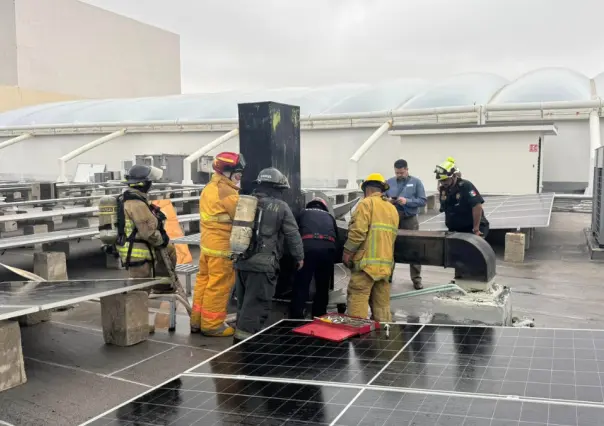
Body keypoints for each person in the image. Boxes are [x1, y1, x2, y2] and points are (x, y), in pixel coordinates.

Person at [233, 167, 304, 344]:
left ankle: (239, 341)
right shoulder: (281, 207)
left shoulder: (245, 202)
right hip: (263, 266)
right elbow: (293, 234)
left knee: (243, 306)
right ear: (277, 188)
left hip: (241, 261)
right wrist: (299, 257)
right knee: (256, 307)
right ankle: (246, 349)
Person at [190, 152, 245, 337]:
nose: (239, 178)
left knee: (203, 283)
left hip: (207, 246)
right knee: (218, 286)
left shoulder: (209, 188)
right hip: (222, 249)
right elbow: (242, 216)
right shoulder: (227, 192)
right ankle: (212, 325)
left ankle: (197, 321)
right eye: (237, 174)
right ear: (227, 172)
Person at [342, 173, 399, 322]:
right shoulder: (392, 209)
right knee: (382, 307)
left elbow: (358, 232)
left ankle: (358, 337)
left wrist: (347, 253)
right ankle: (383, 340)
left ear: (367, 190)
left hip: (365, 266)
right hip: (385, 267)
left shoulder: (366, 204)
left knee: (357, 299)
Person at [116, 164, 176, 292]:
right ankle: (135, 310)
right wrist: (162, 239)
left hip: (133, 245)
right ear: (143, 184)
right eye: (149, 182)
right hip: (137, 250)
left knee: (170, 250)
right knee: (140, 291)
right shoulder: (137, 204)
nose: (151, 184)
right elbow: (149, 233)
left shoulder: (131, 198)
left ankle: (162, 285)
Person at [290, 197, 338, 319]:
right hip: (328, 248)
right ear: (324, 207)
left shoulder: (303, 213)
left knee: (302, 283)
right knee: (323, 286)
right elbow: (337, 236)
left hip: (308, 248)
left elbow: (293, 231)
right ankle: (319, 315)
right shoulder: (330, 216)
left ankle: (296, 316)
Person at [385, 159, 427, 290]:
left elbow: (422, 201)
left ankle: (416, 279)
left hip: (410, 219)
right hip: (393, 219)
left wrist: (407, 201)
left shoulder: (416, 182)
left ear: (407, 170)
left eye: (402, 173)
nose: (399, 175)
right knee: (390, 247)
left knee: (413, 248)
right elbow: (382, 197)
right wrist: (388, 201)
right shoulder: (388, 182)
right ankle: (388, 276)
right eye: (397, 173)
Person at [435, 156, 489, 237]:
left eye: (445, 180)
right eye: (441, 181)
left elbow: (477, 206)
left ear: (453, 176)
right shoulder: (444, 189)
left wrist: (476, 229)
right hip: (456, 230)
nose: (443, 183)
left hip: (471, 228)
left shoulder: (465, 186)